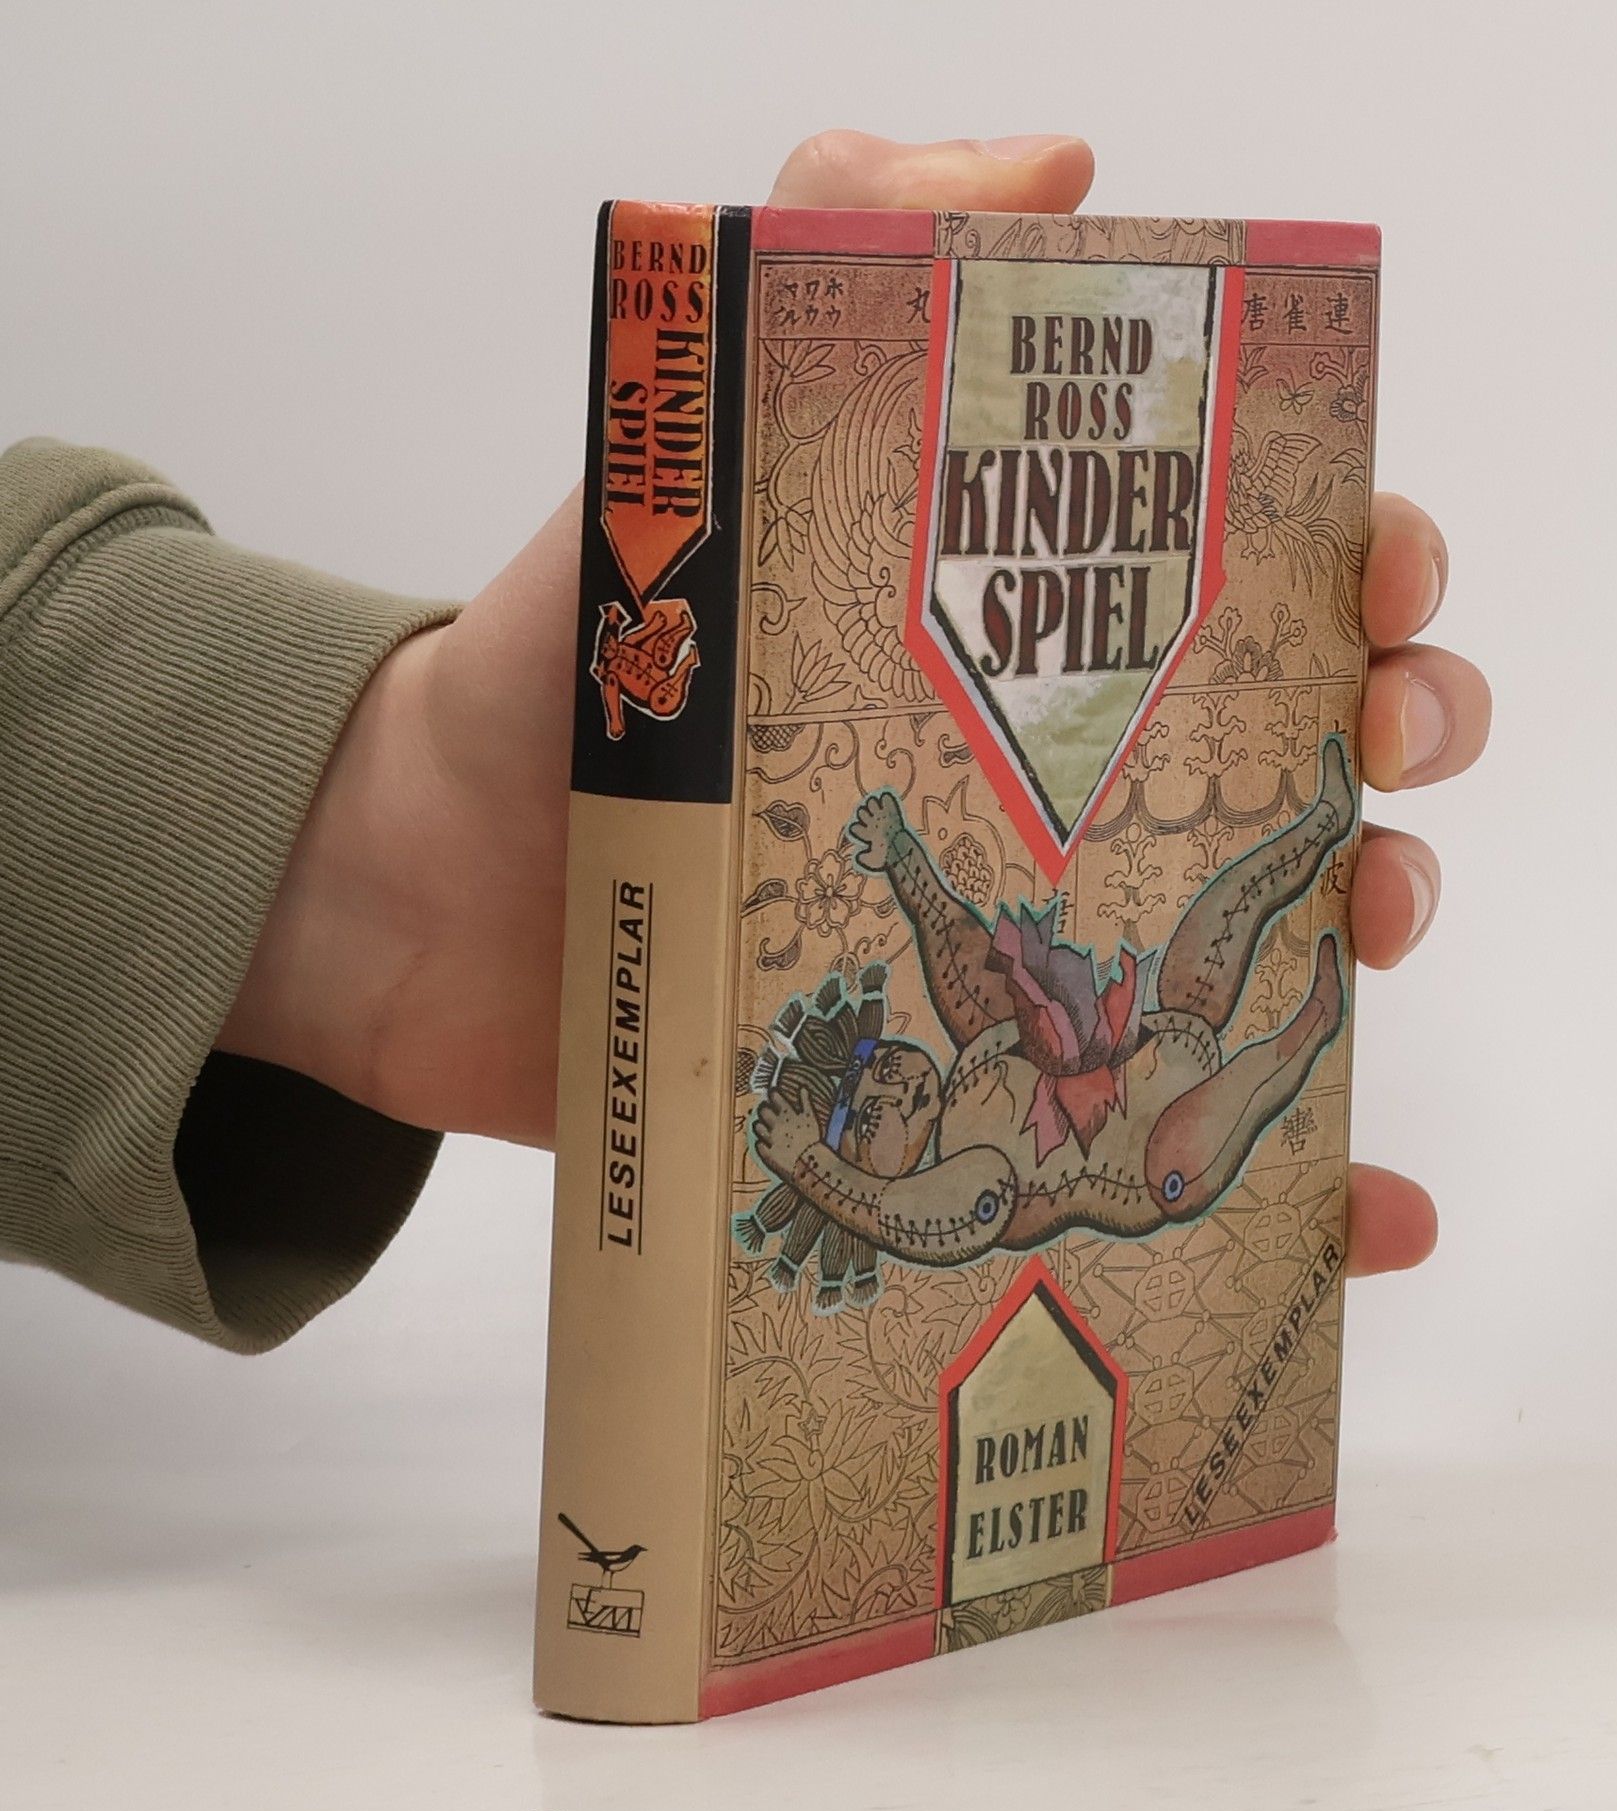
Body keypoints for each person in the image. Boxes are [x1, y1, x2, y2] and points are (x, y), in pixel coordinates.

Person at [0, 130, 1490, 1353]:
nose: (889, 1086)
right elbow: (913, 1212)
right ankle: (1300, 977)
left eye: (870, 1093)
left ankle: (1304, 846)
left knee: (1223, 939)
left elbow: (958, 980)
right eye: (885, 1110)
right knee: (1223, 1058)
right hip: (1149, 1128)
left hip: (1117, 1066)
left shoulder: (967, 1086)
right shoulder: (979, 1183)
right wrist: (821, 1163)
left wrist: (406, 810)